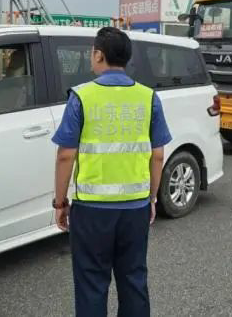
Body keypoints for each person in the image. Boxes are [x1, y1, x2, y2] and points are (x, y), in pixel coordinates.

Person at [52, 27, 172, 317]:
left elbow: (66, 154)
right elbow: (157, 155)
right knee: (133, 280)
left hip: (92, 210)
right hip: (135, 208)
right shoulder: (148, 97)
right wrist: (152, 199)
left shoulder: (81, 96)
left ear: (99, 55)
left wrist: (60, 203)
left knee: (92, 282)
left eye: (92, 53)